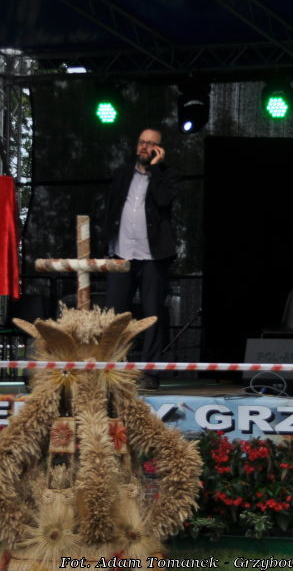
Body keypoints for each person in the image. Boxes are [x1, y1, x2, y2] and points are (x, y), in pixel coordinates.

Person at [104, 128, 181, 390]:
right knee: (114, 316)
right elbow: (110, 208)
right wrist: (107, 243)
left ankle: (150, 372)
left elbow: (163, 201)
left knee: (152, 315)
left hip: (153, 257)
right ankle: (113, 371)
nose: (144, 147)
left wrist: (156, 169)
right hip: (122, 254)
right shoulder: (122, 173)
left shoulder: (168, 176)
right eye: (141, 142)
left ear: (159, 149)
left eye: (150, 144)